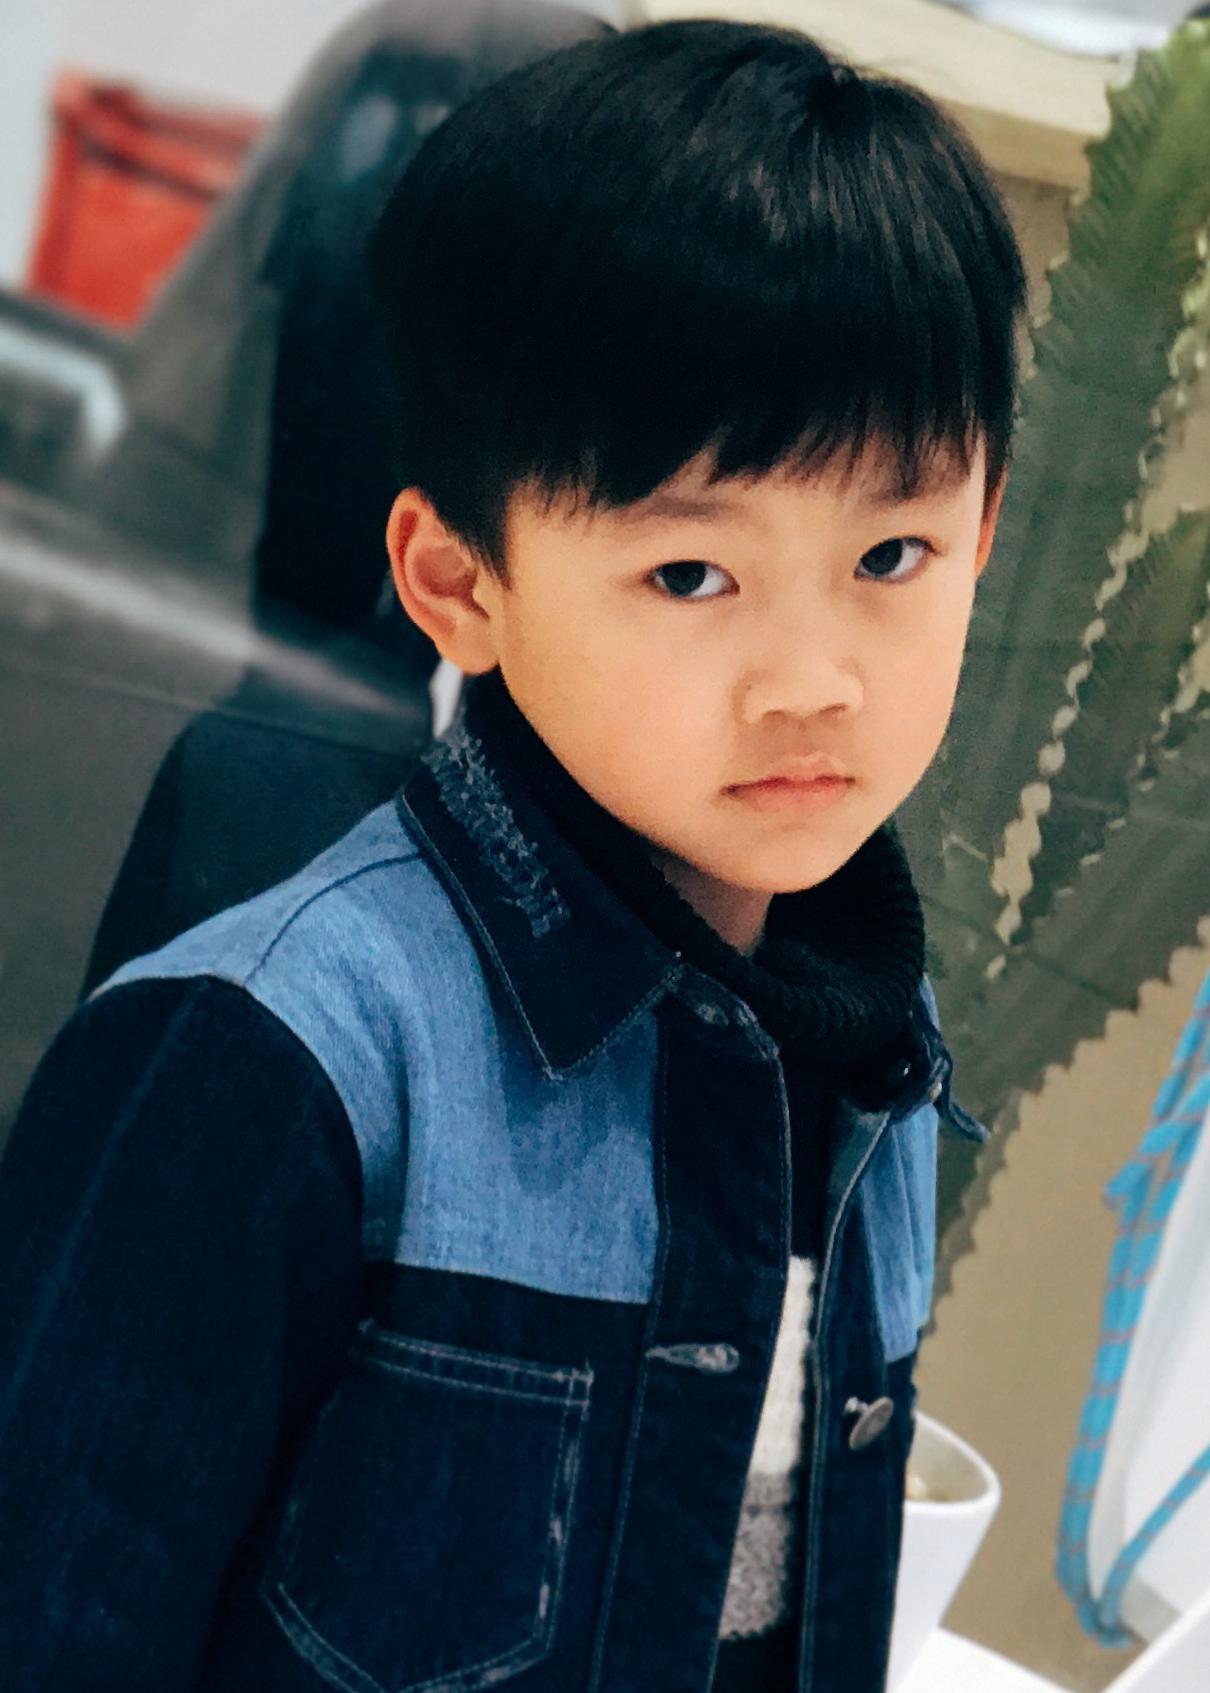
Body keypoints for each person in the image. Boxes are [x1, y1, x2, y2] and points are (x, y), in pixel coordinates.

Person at [0, 16, 1027, 1692]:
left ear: (983, 533)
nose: (813, 680)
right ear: (458, 582)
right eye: (689, 574)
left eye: (891, 553)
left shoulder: (875, 1052)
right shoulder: (267, 1059)